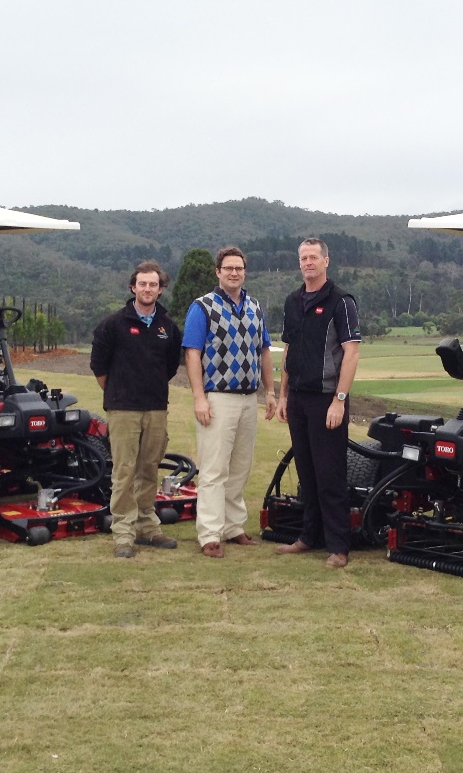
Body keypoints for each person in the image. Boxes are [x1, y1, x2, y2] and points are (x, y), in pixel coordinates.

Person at [182, 247, 278, 558]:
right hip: (218, 397)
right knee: (213, 469)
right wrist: (199, 397)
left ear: (245, 271)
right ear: (218, 272)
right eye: (228, 268)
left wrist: (271, 392)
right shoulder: (203, 307)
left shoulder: (254, 307)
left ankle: (233, 526)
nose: (233, 273)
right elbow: (193, 353)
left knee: (240, 467)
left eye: (239, 268)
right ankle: (209, 534)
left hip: (249, 398)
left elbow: (264, 351)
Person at [275, 237, 361, 569]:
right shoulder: (293, 301)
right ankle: (308, 537)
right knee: (306, 472)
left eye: (314, 257)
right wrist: (283, 395)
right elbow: (289, 351)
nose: (308, 262)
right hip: (297, 397)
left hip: (328, 399)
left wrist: (340, 400)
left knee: (330, 474)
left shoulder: (341, 302)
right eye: (303, 258)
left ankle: (338, 547)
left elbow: (351, 352)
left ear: (327, 261)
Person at [90, 261, 184, 558]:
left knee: (149, 469)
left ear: (160, 288)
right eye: (142, 284)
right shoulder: (112, 324)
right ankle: (123, 534)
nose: (147, 289)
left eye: (153, 285)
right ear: (133, 287)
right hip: (123, 410)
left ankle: (147, 527)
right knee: (124, 471)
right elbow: (99, 367)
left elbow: (169, 367)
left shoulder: (167, 327)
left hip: (156, 408)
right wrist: (120, 392)